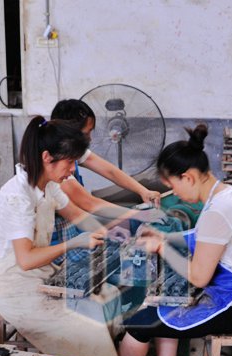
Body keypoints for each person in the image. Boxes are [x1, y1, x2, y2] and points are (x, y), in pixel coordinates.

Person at [116, 124, 232, 356]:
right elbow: (202, 236)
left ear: (188, 177)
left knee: (140, 324)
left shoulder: (218, 211)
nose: (174, 194)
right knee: (164, 303)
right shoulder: (228, 195)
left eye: (173, 186)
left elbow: (200, 277)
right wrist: (166, 237)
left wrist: (162, 247)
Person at [0, 116, 120, 356]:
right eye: (69, 162)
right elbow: (25, 260)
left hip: (41, 272)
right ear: (47, 157)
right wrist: (74, 243)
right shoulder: (17, 197)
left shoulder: (48, 185)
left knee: (108, 296)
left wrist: (114, 233)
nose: (72, 170)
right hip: (11, 285)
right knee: (85, 325)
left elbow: (78, 215)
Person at [49, 100, 164, 260]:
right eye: (87, 133)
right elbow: (89, 204)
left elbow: (110, 171)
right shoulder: (55, 167)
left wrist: (143, 191)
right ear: (70, 131)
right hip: (59, 242)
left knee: (124, 228)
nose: (90, 139)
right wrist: (138, 215)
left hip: (76, 226)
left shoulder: (68, 151)